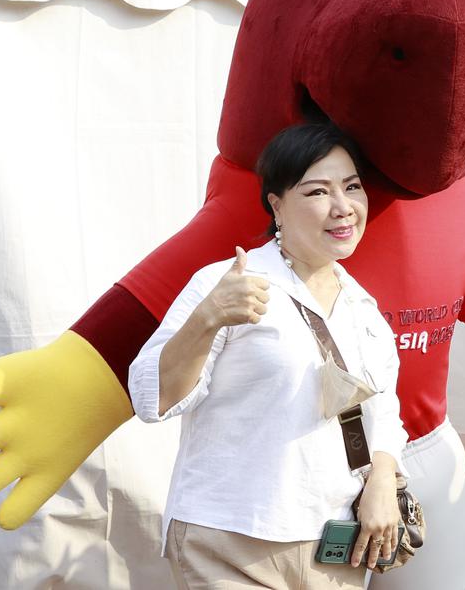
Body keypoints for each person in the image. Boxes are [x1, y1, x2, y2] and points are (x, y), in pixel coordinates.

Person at [129, 123, 408, 589]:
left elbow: (385, 413)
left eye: (352, 187)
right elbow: (151, 398)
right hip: (228, 540)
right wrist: (207, 318)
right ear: (276, 205)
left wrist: (382, 479)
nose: (343, 208)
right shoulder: (228, 285)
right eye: (318, 191)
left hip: (333, 547)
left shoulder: (363, 308)